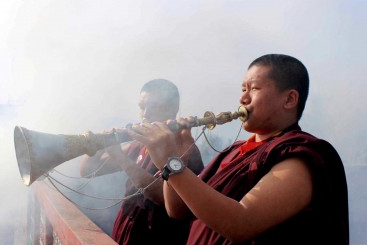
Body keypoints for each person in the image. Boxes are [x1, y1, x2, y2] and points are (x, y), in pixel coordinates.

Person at [122, 54, 349, 244]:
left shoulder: (301, 156)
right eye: (242, 88)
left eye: (254, 88)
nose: (243, 97)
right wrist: (173, 159)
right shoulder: (233, 152)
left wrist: (171, 163)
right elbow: (178, 210)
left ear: (289, 99)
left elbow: (242, 223)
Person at [80, 79, 204, 245]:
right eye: (141, 107)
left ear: (173, 108)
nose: (145, 114)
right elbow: (88, 170)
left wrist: (122, 160)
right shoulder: (139, 145)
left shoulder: (185, 149)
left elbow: (168, 200)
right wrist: (100, 142)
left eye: (153, 106)